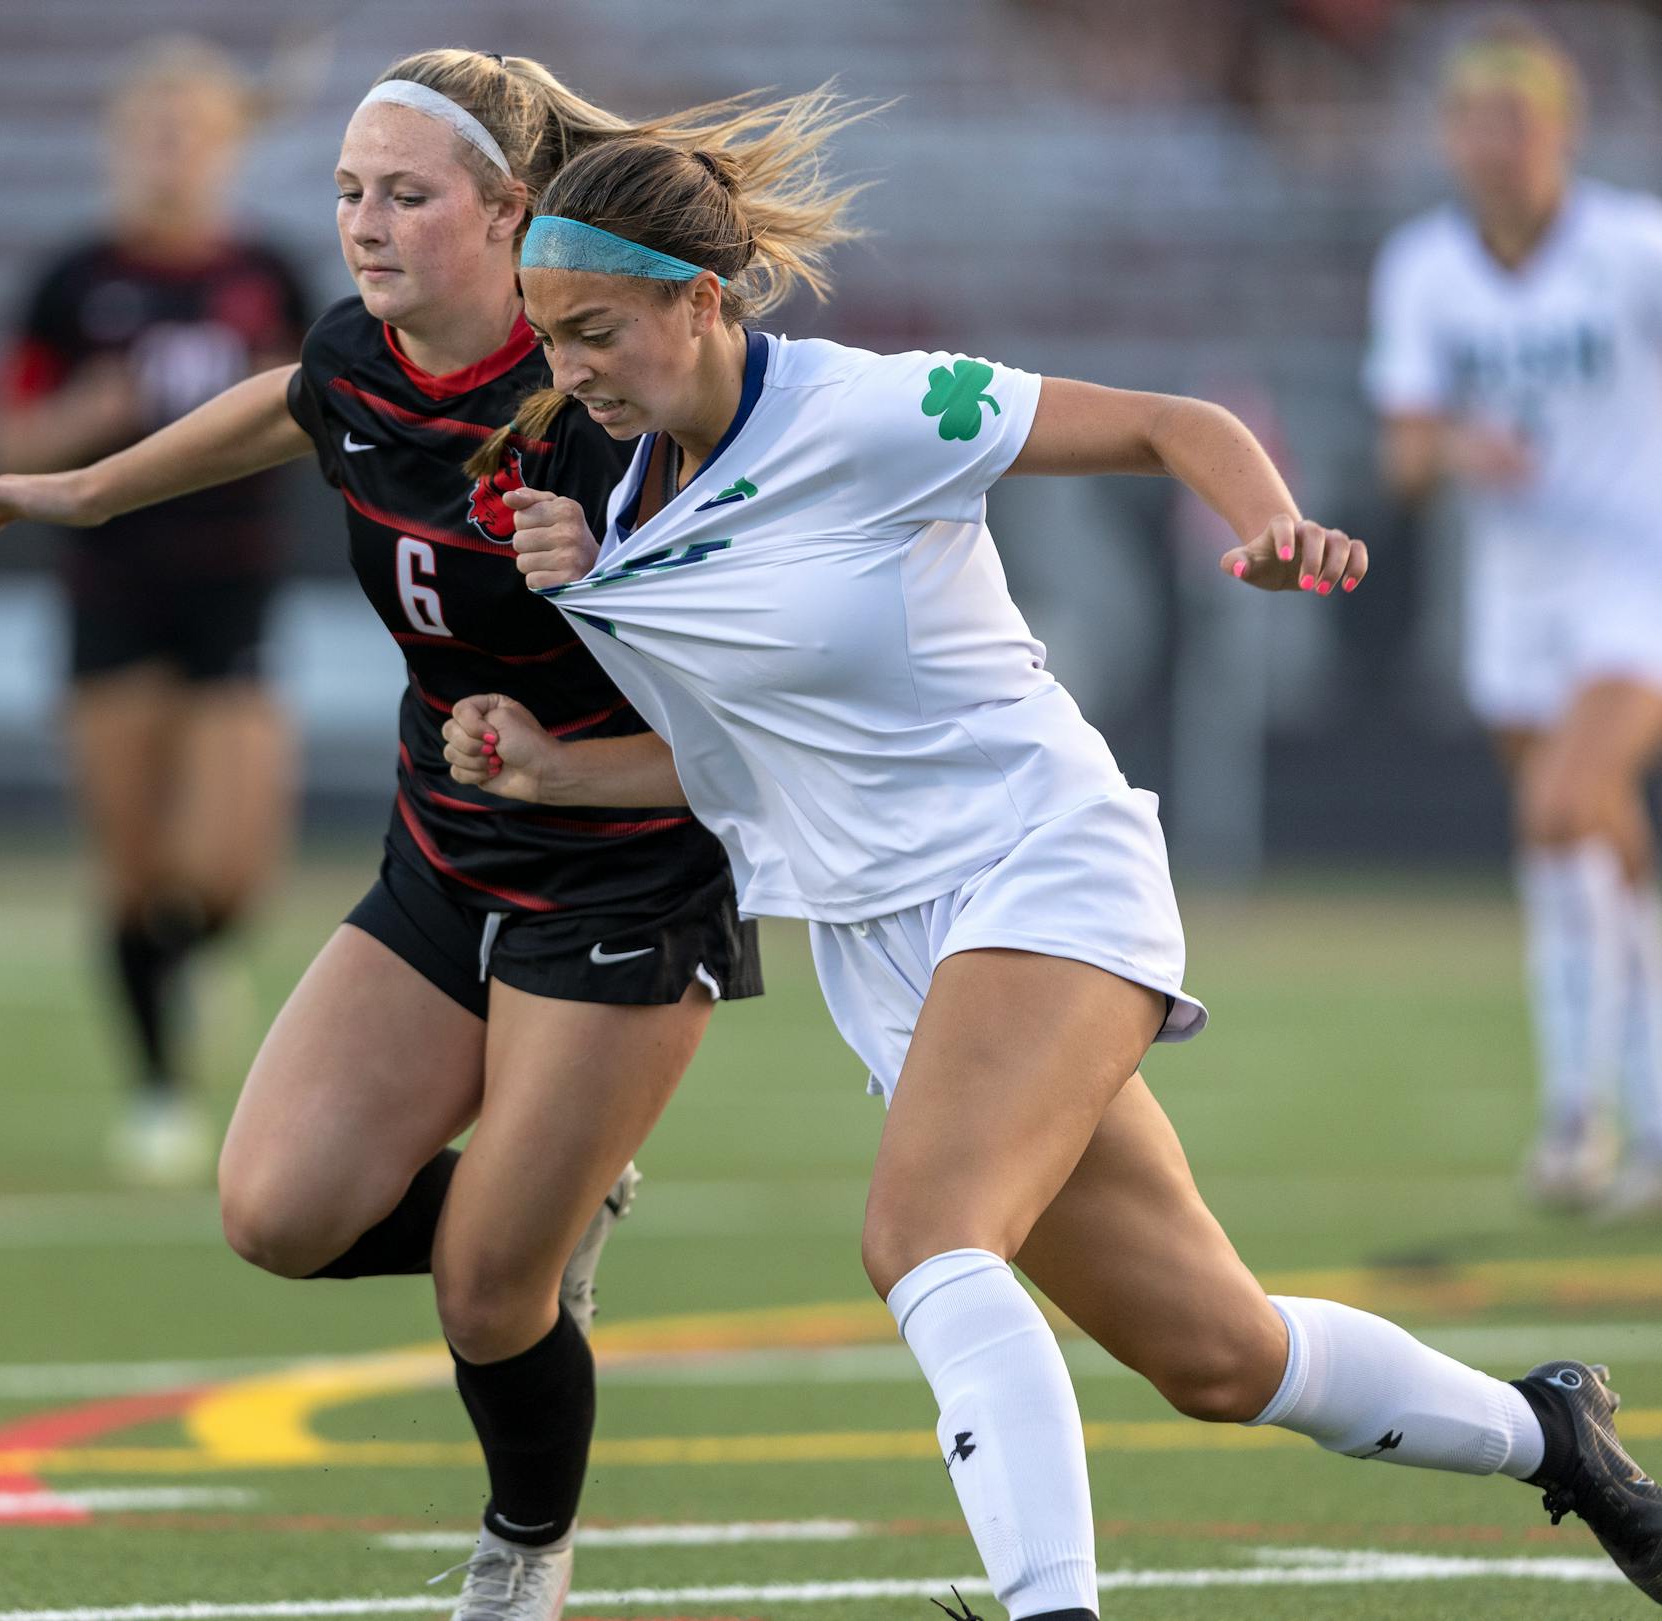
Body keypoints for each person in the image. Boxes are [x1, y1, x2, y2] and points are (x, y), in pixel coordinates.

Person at [438, 110, 1662, 1618]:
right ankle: (1563, 1437)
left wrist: (1271, 527)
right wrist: (554, 768)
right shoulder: (618, 507)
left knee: (923, 1238)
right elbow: (750, 764)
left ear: (704, 298)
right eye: (549, 339)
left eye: (597, 331)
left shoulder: (875, 409)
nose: (567, 372)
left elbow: (1173, 424)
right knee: (1220, 1354)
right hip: (881, 945)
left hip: (1037, 860)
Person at [0, 50, 770, 1618]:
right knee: (278, 1211)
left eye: (406, 195)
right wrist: (85, 486)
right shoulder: (358, 355)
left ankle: (522, 1559)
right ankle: (552, 1197)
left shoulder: (617, 395)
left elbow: (762, 725)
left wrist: (599, 611)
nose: (364, 226)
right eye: (345, 193)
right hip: (450, 850)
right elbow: (295, 401)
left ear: (511, 215)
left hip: (631, 871)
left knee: (484, 1291)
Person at [0, 37, 310, 1184]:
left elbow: (324, 413)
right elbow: (3, 443)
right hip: (111, 594)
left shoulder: (272, 273)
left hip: (234, 589)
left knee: (230, 868)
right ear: (121, 146)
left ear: (230, 145)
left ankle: (197, 953)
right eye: (154, 131)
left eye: (195, 131)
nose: (172, 154)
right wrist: (85, 416)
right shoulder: (74, 281)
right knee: (128, 865)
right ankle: (160, 1088)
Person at [1366, 14, 1662, 1215]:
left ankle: (1573, 1114)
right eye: (1478, 124)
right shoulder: (1424, 269)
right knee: (1606, 849)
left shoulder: (1635, 248)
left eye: (1521, 124)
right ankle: (1650, 1115)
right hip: (1516, 593)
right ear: (1448, 137)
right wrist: (1448, 442)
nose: (1499, 148)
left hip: (1635, 572)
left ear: (1563, 132)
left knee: (1560, 808)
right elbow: (1403, 456)